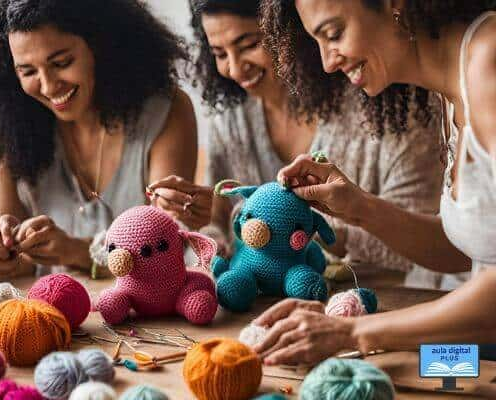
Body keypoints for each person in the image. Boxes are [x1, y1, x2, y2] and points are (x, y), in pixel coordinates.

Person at [250, 0, 496, 365]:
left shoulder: (489, 65)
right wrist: (358, 208)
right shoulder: (450, 88)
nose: (327, 63)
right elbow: (475, 250)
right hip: (478, 349)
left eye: (333, 34)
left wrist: (354, 333)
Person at [151, 0, 444, 280]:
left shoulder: (389, 106)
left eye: (250, 45)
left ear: (294, 32)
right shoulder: (231, 119)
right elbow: (220, 224)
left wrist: (304, 231)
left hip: (389, 303)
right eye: (219, 54)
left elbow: (427, 249)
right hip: (264, 304)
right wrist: (200, 226)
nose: (236, 70)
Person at [0, 0, 198, 280]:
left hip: (146, 317)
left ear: (99, 44)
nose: (49, 86)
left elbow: (164, 248)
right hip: (54, 314)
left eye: (61, 63)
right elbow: (17, 259)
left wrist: (76, 251)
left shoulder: (167, 112)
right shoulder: (8, 127)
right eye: (28, 72)